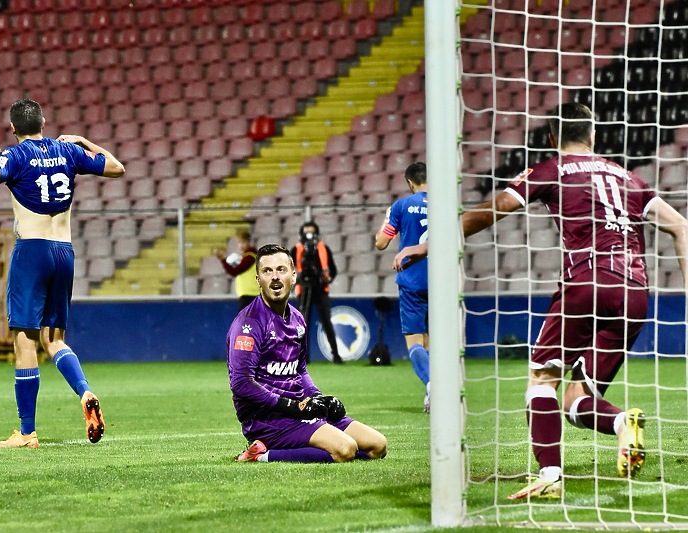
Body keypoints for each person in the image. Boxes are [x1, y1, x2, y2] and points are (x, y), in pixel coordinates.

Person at [395, 102, 688, 500]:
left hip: (586, 281)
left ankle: (550, 474)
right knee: (577, 398)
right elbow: (680, 227)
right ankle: (622, 424)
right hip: (636, 292)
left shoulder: (552, 170)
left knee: (541, 381)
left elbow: (497, 207)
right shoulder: (629, 179)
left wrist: (433, 241)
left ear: (552, 138)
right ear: (594, 135)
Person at [0, 97, 125, 448]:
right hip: (64, 252)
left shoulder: (15, 154)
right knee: (54, 339)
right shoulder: (66, 152)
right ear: (44, 121)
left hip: (32, 250)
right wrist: (83, 141)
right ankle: (85, 391)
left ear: (13, 129)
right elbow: (117, 167)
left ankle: (27, 432)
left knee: (25, 340)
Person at [228, 244, 388, 463]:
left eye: (281, 270)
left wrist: (317, 397)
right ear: (258, 280)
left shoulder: (297, 318)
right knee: (345, 449)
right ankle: (261, 455)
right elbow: (241, 382)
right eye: (267, 271)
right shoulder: (249, 323)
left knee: (378, 446)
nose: (275, 277)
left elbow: (299, 370)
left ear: (293, 276)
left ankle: (325, 446)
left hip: (300, 411)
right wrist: (290, 405)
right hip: (268, 420)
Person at [374, 161, 431, 413]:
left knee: (415, 341)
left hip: (411, 281)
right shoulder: (447, 203)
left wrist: (388, 218)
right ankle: (437, 392)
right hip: (443, 281)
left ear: (409, 182)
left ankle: (431, 386)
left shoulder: (401, 206)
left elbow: (381, 243)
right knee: (435, 342)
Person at [290, 221, 343, 364]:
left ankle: (336, 355)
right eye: (306, 231)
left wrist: (328, 277)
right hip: (303, 289)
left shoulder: (323, 248)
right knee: (303, 323)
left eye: (312, 231)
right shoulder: (296, 249)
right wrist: (297, 277)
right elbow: (287, 269)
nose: (309, 235)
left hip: (321, 289)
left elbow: (332, 269)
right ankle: (303, 357)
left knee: (326, 322)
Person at [213, 229, 259, 311]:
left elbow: (235, 272)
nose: (241, 245)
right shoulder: (247, 256)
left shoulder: (250, 256)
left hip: (250, 294)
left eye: (243, 242)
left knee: (244, 321)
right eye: (239, 242)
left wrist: (223, 259)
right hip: (250, 293)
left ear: (248, 242)